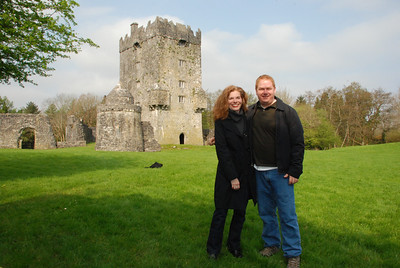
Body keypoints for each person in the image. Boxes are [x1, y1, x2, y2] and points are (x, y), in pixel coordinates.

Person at [247, 75, 304, 268]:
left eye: (268, 88)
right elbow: (232, 126)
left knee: (287, 215)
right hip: (258, 172)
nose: (265, 92)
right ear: (256, 91)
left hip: (282, 173)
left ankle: (293, 253)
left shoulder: (287, 112)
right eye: (261, 89)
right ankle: (272, 244)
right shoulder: (250, 112)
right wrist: (216, 136)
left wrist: (295, 170)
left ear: (274, 89)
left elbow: (298, 143)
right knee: (266, 213)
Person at [207, 85, 257, 260]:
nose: (235, 101)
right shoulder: (221, 120)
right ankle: (213, 249)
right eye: (231, 98)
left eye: (238, 98)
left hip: (246, 173)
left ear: (243, 100)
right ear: (225, 101)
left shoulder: (249, 117)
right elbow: (222, 150)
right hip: (227, 173)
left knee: (240, 212)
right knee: (221, 212)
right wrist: (232, 177)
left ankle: (233, 245)